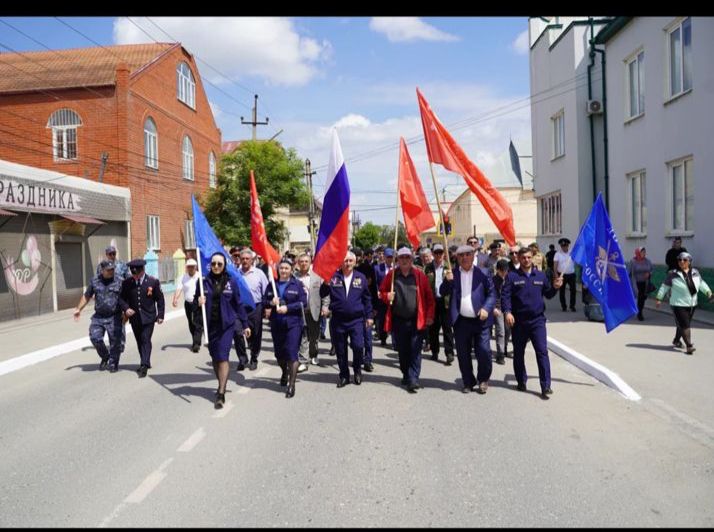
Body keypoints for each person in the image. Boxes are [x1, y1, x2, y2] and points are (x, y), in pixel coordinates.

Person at [501, 247, 563, 399]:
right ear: (519, 259)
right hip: (519, 321)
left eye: (529, 257)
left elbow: (548, 294)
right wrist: (507, 312)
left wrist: (555, 287)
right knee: (519, 353)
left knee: (542, 352)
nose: (526, 260)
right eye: (523, 258)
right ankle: (521, 381)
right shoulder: (512, 276)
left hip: (537, 321)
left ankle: (546, 386)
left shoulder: (540, 276)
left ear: (532, 258)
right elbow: (505, 296)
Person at [195, 252, 251, 408]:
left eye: (219, 264)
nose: (216, 267)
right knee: (214, 357)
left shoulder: (231, 282)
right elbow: (194, 304)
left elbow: (238, 304)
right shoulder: (203, 282)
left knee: (222, 356)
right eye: (213, 264)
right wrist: (199, 302)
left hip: (226, 325)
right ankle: (221, 382)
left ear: (224, 265)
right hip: (210, 325)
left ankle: (221, 391)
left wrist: (245, 324)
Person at [440, 245, 496, 394]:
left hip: (480, 320)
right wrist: (447, 281)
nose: (464, 258)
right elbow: (442, 292)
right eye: (461, 255)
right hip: (461, 321)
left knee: (484, 351)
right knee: (463, 354)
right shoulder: (452, 274)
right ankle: (468, 381)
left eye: (467, 254)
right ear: (456, 258)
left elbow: (492, 294)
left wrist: (486, 308)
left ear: (473, 256)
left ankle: (483, 379)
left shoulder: (483, 273)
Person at [380, 247, 434, 393]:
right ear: (397, 260)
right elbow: (381, 292)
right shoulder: (392, 275)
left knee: (415, 350)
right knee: (403, 351)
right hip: (399, 320)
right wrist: (387, 296)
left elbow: (429, 298)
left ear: (411, 259)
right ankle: (406, 373)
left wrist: (429, 316)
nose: (404, 260)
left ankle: (413, 378)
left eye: (407, 257)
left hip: (417, 319)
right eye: (401, 257)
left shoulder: (419, 275)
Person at [320, 251, 373, 387]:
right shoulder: (333, 277)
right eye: (345, 261)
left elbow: (367, 299)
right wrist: (325, 283)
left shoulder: (361, 278)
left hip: (356, 320)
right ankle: (344, 375)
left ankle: (357, 371)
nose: (348, 263)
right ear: (340, 263)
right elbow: (322, 293)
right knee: (340, 349)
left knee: (358, 346)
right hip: (338, 320)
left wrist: (369, 316)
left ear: (355, 262)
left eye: (350, 261)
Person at [263, 258, 308, 398]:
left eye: (286, 268)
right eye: (281, 268)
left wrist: (287, 308)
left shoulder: (297, 284)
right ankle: (284, 371)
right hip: (277, 323)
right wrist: (271, 302)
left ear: (291, 270)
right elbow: (264, 301)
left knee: (291, 353)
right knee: (279, 355)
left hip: (293, 323)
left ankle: (291, 384)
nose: (283, 271)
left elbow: (303, 302)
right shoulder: (272, 285)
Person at [656, 252, 712, 355]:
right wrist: (659, 298)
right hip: (677, 304)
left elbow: (701, 283)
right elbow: (664, 287)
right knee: (685, 325)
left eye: (684, 260)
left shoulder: (695, 272)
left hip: (692, 304)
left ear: (689, 261)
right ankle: (689, 346)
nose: (682, 262)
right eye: (679, 260)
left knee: (682, 324)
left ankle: (676, 340)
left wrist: (708, 293)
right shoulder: (673, 274)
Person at [73, 260, 124, 372]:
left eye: (112, 269)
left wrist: (126, 313)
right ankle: (105, 357)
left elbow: (125, 298)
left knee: (115, 342)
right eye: (108, 270)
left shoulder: (120, 281)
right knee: (95, 338)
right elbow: (87, 296)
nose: (111, 271)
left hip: (114, 316)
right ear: (102, 270)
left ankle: (113, 362)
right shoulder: (95, 281)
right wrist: (78, 309)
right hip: (99, 316)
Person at [119, 258, 165, 378]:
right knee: (139, 340)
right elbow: (121, 299)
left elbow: (160, 299)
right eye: (133, 274)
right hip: (135, 318)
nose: (135, 276)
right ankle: (145, 360)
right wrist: (126, 308)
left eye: (137, 274)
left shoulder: (153, 282)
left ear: (143, 270)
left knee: (145, 339)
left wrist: (160, 315)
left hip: (149, 317)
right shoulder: (127, 283)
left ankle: (144, 365)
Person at [235, 248, 270, 371]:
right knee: (237, 332)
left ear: (252, 260)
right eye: (242, 258)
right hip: (239, 308)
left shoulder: (259, 273)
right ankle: (242, 359)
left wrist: (267, 307)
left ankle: (254, 357)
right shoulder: (235, 273)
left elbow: (266, 292)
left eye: (247, 259)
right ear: (239, 259)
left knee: (255, 334)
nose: (244, 261)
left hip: (256, 307)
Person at [424, 243, 454, 365]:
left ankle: (449, 353)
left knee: (447, 329)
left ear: (443, 254)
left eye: (440, 252)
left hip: (446, 301)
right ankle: (435, 351)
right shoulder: (428, 268)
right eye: (436, 253)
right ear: (433, 254)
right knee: (433, 328)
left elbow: (454, 286)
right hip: (433, 301)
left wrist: (452, 279)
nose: (438, 255)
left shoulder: (449, 267)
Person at [295, 253, 326, 368]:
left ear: (310, 263)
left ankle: (313, 354)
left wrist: (325, 307)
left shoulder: (317, 276)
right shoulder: (294, 276)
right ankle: (303, 360)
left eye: (306, 261)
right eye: (301, 261)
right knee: (303, 336)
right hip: (300, 311)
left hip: (314, 310)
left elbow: (325, 293)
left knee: (314, 336)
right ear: (298, 263)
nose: (303, 263)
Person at [353, 247, 378, 372]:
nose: (357, 258)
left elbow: (373, 288)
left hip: (366, 307)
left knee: (367, 337)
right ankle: (358, 358)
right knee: (356, 338)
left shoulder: (368, 268)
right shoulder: (347, 269)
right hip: (353, 310)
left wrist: (374, 307)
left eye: (358, 255)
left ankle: (368, 360)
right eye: (354, 255)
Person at [172, 258, 203, 351]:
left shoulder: (200, 276)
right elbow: (179, 288)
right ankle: (195, 339)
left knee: (198, 322)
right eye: (188, 267)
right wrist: (175, 299)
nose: (190, 269)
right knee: (191, 322)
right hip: (188, 303)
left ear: (196, 267)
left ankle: (196, 343)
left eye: (192, 267)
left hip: (198, 303)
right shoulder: (183, 277)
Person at [491, 258, 511, 364]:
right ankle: (500, 354)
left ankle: (505, 347)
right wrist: (493, 308)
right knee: (500, 331)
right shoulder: (493, 281)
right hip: (497, 308)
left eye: (506, 270)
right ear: (497, 270)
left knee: (508, 330)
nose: (504, 272)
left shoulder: (509, 279)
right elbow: (491, 296)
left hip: (508, 308)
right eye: (502, 270)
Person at [374, 247, 395, 347]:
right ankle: (383, 337)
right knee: (382, 319)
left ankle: (395, 342)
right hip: (382, 297)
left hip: (393, 298)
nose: (389, 259)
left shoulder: (396, 269)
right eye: (388, 257)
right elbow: (376, 282)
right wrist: (378, 291)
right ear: (385, 257)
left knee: (394, 319)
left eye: (391, 257)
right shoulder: (378, 268)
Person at [627, 247, 654, 321]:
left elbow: (652, 269)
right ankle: (639, 313)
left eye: (644, 252)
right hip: (636, 282)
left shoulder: (647, 261)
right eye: (642, 252)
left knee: (642, 298)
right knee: (638, 296)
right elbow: (629, 272)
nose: (644, 254)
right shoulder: (633, 261)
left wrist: (649, 273)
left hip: (645, 283)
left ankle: (640, 311)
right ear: (638, 253)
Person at [554, 237, 576, 312]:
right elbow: (555, 265)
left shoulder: (572, 252)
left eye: (565, 246)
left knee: (573, 290)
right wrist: (556, 274)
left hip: (571, 274)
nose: (564, 247)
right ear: (560, 246)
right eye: (562, 246)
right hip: (562, 275)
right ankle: (564, 306)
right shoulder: (557, 254)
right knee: (562, 291)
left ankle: (572, 306)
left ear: (568, 246)